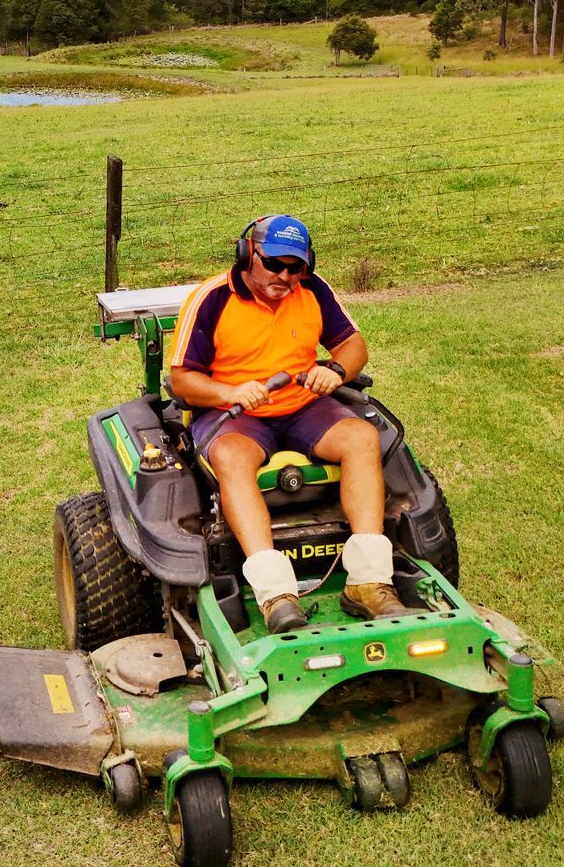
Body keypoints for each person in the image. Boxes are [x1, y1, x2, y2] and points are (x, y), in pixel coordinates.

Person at [167, 214, 406, 634]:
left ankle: (369, 582)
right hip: (236, 414)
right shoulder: (211, 298)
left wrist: (335, 369)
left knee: (362, 437)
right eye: (274, 264)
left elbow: (353, 345)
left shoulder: (313, 290)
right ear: (248, 255)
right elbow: (182, 380)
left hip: (304, 406)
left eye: (296, 267)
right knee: (230, 456)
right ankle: (276, 593)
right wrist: (231, 392)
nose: (285, 276)